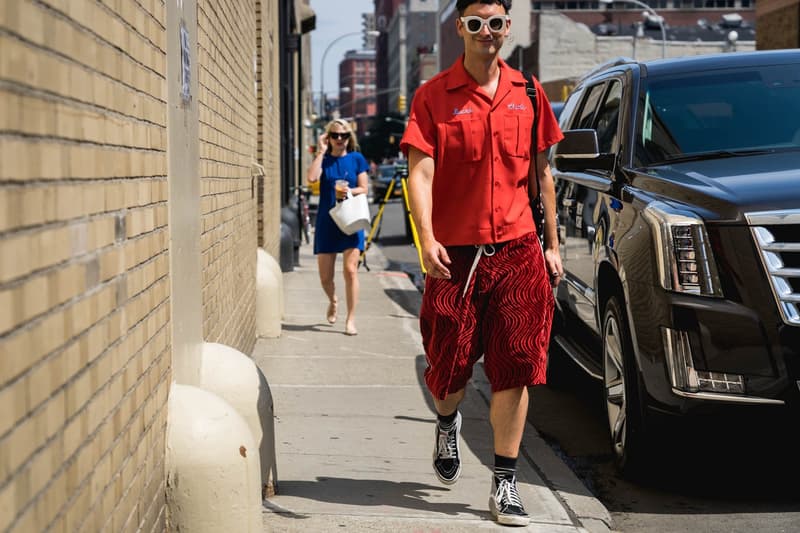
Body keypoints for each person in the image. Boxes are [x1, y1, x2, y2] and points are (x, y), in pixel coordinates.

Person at [399, 0, 564, 526]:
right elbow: (420, 175)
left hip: (518, 250)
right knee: (449, 365)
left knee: (516, 364)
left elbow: (543, 178)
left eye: (496, 23)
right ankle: (446, 421)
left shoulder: (530, 95)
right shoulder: (432, 98)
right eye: (476, 23)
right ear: (461, 29)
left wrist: (552, 246)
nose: (487, 32)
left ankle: (505, 482)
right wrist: (426, 239)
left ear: (507, 28)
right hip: (456, 255)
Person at [306, 119, 370, 336]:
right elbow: (312, 178)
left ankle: (350, 320)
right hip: (327, 220)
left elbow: (364, 188)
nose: (340, 139)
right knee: (325, 277)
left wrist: (348, 191)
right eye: (335, 135)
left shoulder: (356, 158)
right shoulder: (324, 160)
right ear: (328, 137)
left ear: (349, 137)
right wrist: (321, 151)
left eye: (344, 135)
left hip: (351, 219)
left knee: (350, 271)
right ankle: (333, 300)